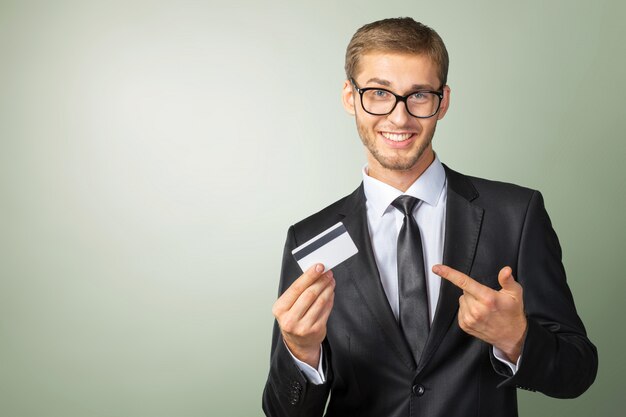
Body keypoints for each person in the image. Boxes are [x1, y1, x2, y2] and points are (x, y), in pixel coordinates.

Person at [262, 17, 597, 417]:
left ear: (444, 100)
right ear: (350, 97)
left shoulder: (516, 215)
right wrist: (302, 353)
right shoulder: (311, 238)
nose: (399, 118)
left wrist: (518, 339)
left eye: (418, 95)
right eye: (379, 93)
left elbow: (578, 372)